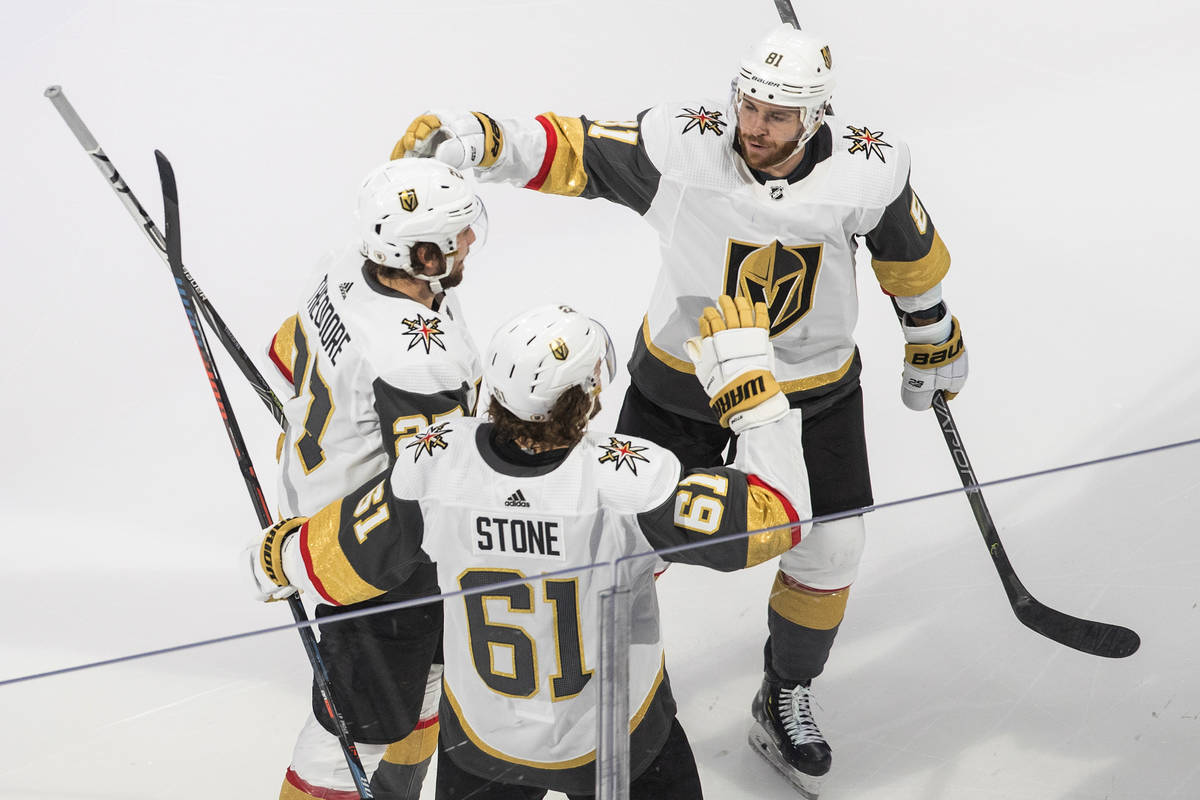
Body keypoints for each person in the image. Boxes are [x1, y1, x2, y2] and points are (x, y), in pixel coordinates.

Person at [389, 22, 968, 798]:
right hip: (682, 382)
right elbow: (575, 151)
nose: (754, 127)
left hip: (808, 388)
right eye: (748, 105)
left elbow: (907, 255)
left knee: (829, 553)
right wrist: (481, 139)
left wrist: (931, 334)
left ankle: (783, 691)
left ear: (818, 117)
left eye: (777, 116)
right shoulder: (684, 146)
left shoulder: (868, 167)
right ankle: (568, 678)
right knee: (619, 546)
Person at [249, 297, 813, 799]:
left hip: (482, 744)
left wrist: (281, 558)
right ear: (588, 397)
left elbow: (344, 559)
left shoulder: (435, 464)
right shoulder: (629, 479)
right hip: (615, 745)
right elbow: (782, 519)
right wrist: (753, 395)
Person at [258, 158, 487, 799]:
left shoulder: (340, 267)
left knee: (426, 680)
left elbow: (288, 352)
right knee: (351, 735)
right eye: (459, 234)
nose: (471, 241)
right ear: (422, 253)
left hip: (323, 500)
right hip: (373, 552)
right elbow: (437, 489)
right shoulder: (423, 354)